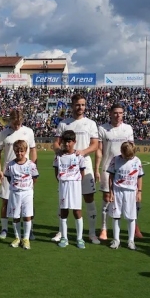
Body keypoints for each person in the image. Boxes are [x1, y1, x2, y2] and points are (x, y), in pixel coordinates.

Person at [53, 94, 100, 244]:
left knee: (89, 198)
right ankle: (61, 232)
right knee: (64, 201)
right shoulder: (64, 124)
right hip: (67, 168)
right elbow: (55, 143)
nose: (80, 107)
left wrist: (83, 152)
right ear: (72, 105)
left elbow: (95, 145)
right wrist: (58, 151)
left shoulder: (90, 124)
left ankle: (92, 233)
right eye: (78, 104)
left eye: (83, 105)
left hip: (84, 165)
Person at [95, 103, 140, 240]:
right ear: (110, 113)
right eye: (115, 113)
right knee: (107, 199)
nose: (118, 115)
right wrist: (97, 168)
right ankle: (104, 228)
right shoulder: (103, 128)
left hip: (126, 170)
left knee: (130, 199)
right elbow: (99, 150)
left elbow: (132, 148)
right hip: (108, 168)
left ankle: (134, 227)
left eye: (120, 113)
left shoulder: (128, 129)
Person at [0, 108, 37, 240]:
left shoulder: (28, 132)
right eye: (14, 122)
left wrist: (33, 166)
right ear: (10, 120)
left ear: (22, 120)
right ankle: (4, 228)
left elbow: (34, 150)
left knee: (28, 204)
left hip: (25, 174)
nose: (16, 125)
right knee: (6, 202)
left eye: (19, 122)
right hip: (9, 173)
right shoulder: (4, 133)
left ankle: (29, 231)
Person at [106, 141, 143, 250]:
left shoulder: (137, 161)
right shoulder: (116, 160)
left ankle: (131, 240)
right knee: (116, 215)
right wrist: (111, 192)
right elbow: (111, 177)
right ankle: (116, 239)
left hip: (131, 192)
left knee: (131, 217)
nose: (127, 158)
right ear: (121, 151)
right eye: (125, 155)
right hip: (118, 190)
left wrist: (139, 191)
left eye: (129, 156)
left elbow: (140, 176)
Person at [54, 130, 87, 249]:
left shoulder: (78, 156)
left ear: (74, 142)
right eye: (65, 142)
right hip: (63, 185)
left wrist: (75, 181)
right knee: (64, 211)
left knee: (77, 211)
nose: (67, 144)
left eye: (69, 142)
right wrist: (63, 180)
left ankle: (79, 238)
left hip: (75, 185)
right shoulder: (59, 156)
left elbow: (82, 172)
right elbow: (56, 172)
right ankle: (64, 237)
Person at [5, 139, 39, 250]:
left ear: (25, 151)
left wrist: (27, 187)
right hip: (15, 193)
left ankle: (26, 238)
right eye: (17, 151)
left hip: (27, 193)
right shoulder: (10, 165)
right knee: (15, 216)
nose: (19, 153)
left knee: (27, 215)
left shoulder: (31, 164)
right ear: (14, 151)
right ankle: (17, 237)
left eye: (21, 151)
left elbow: (34, 178)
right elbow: (9, 177)